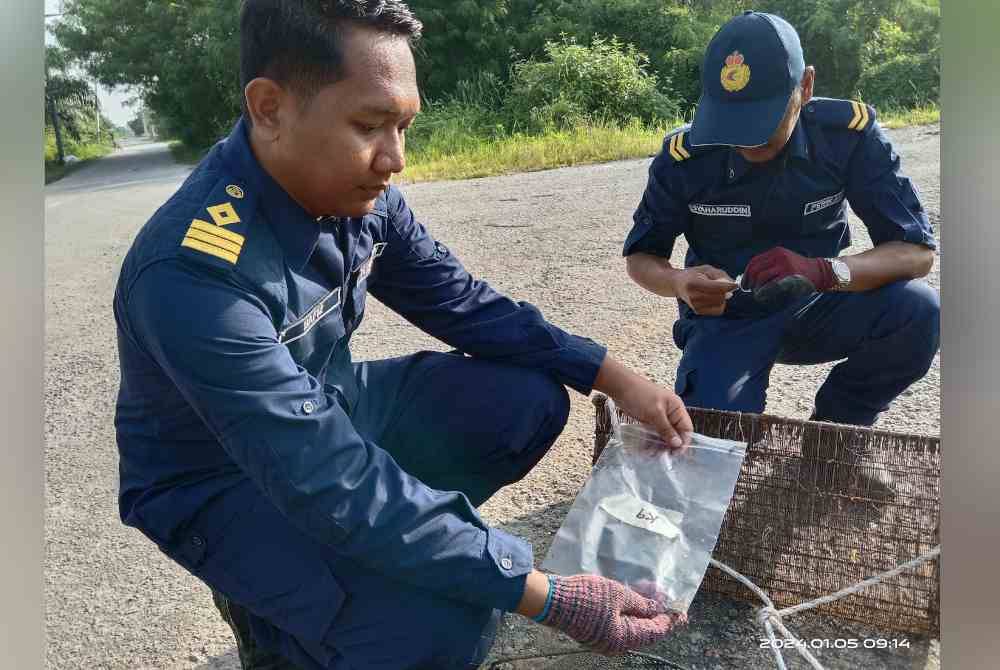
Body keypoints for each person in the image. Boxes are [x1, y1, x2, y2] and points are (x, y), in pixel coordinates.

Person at [112, 2, 692, 668]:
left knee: (526, 402)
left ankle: (387, 555)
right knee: (444, 627)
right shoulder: (195, 273)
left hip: (325, 407)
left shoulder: (358, 192)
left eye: (405, 126)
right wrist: (546, 596)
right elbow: (327, 475)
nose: (397, 158)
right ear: (269, 108)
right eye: (369, 125)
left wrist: (616, 377)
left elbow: (466, 304)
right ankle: (284, 624)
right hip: (220, 477)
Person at [623, 11, 939, 493]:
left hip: (822, 302)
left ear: (806, 87)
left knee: (921, 312)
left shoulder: (848, 137)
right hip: (728, 318)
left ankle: (836, 439)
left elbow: (916, 252)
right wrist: (679, 284)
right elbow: (641, 258)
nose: (748, 142)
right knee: (710, 448)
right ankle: (727, 433)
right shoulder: (686, 158)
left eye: (763, 124)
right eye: (733, 123)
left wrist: (824, 271)